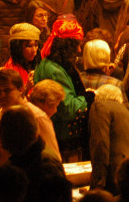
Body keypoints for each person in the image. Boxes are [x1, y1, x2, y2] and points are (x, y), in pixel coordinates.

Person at [33, 17, 88, 157]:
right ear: (67, 47)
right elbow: (68, 109)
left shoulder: (53, 65)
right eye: (77, 45)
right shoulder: (54, 70)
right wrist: (88, 98)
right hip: (63, 140)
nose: (79, 50)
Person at [89, 84, 129, 193]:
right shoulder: (126, 111)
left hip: (114, 174)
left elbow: (100, 143)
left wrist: (98, 183)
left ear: (97, 97)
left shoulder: (100, 106)